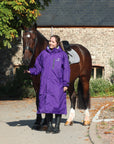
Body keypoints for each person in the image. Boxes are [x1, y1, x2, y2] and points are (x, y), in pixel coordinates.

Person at [25, 35, 70, 134]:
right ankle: (49, 126)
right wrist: (31, 71)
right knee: (47, 106)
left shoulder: (62, 55)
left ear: (57, 43)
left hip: (58, 84)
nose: (50, 43)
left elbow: (66, 70)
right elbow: (38, 67)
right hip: (46, 85)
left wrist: (65, 84)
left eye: (53, 42)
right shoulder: (43, 54)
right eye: (50, 41)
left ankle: (57, 127)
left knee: (58, 105)